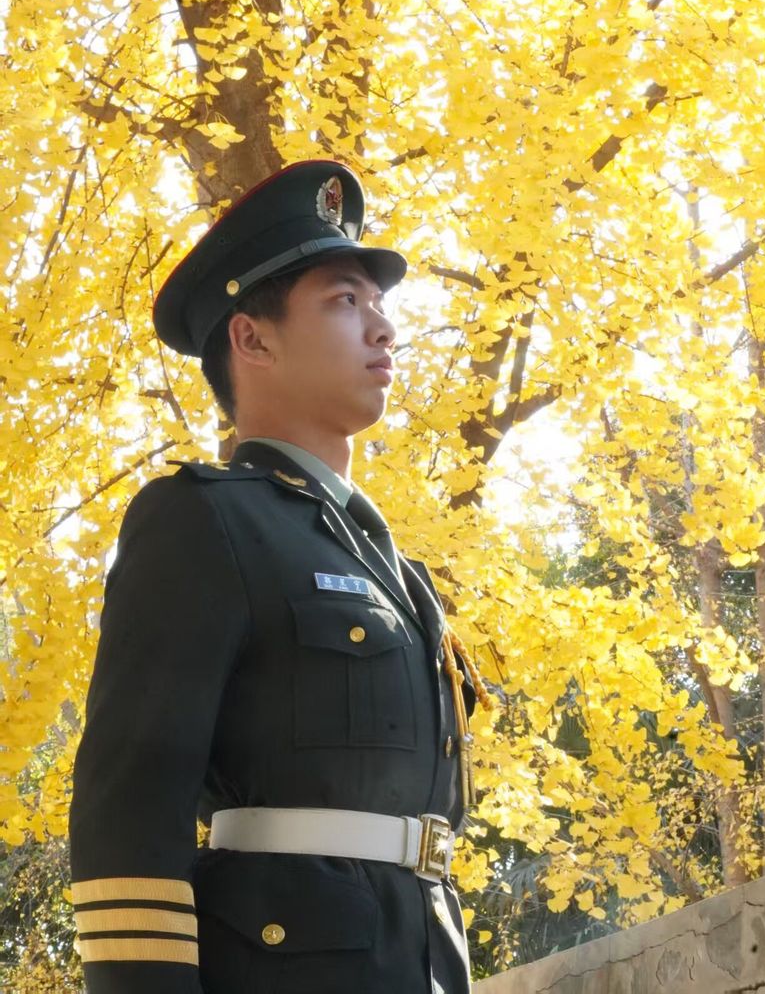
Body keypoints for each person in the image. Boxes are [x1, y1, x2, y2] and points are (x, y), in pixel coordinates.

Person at [69, 159, 490, 994]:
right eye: (345, 301)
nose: (383, 329)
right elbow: (130, 806)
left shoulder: (401, 575)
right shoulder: (203, 521)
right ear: (252, 339)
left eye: (380, 305)